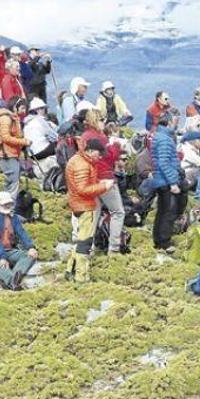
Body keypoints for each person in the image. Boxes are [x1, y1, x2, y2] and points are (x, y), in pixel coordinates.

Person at [64, 138, 114, 281]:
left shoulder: (78, 160)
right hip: (85, 205)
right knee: (85, 242)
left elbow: (83, 184)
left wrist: (99, 183)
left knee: (81, 239)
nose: (100, 157)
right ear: (91, 150)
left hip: (77, 203)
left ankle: (70, 269)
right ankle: (81, 276)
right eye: (99, 154)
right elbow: (83, 189)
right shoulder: (83, 165)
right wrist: (104, 186)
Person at [80, 110, 126, 253]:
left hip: (91, 178)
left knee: (94, 212)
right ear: (96, 120)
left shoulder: (85, 136)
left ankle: (88, 248)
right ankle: (114, 249)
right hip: (105, 177)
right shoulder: (100, 137)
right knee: (118, 212)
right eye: (102, 119)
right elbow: (110, 157)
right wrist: (116, 144)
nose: (104, 122)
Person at [0, 191, 37, 290]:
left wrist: (31, 247)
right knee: (0, 263)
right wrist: (2, 257)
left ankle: (12, 280)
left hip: (9, 250)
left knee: (29, 256)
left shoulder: (13, 217)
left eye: (9, 204)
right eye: (5, 204)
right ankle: (11, 281)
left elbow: (21, 232)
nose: (8, 206)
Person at [150, 110, 185, 252]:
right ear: (170, 121)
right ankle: (164, 242)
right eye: (176, 121)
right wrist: (173, 182)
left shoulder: (160, 136)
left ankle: (158, 240)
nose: (177, 124)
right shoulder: (165, 139)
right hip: (165, 181)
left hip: (160, 179)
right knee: (168, 212)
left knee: (162, 211)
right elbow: (164, 163)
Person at [0, 106, 30, 200]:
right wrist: (23, 142)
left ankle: (8, 208)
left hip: (11, 154)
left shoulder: (11, 118)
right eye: (22, 108)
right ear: (15, 107)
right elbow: (6, 138)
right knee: (12, 186)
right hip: (8, 155)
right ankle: (9, 209)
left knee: (11, 184)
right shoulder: (6, 118)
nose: (24, 111)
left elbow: (18, 135)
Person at [23, 97, 58, 163]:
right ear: (37, 110)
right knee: (61, 143)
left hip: (31, 154)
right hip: (41, 151)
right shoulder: (40, 120)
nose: (44, 110)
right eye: (42, 108)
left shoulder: (26, 121)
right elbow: (53, 136)